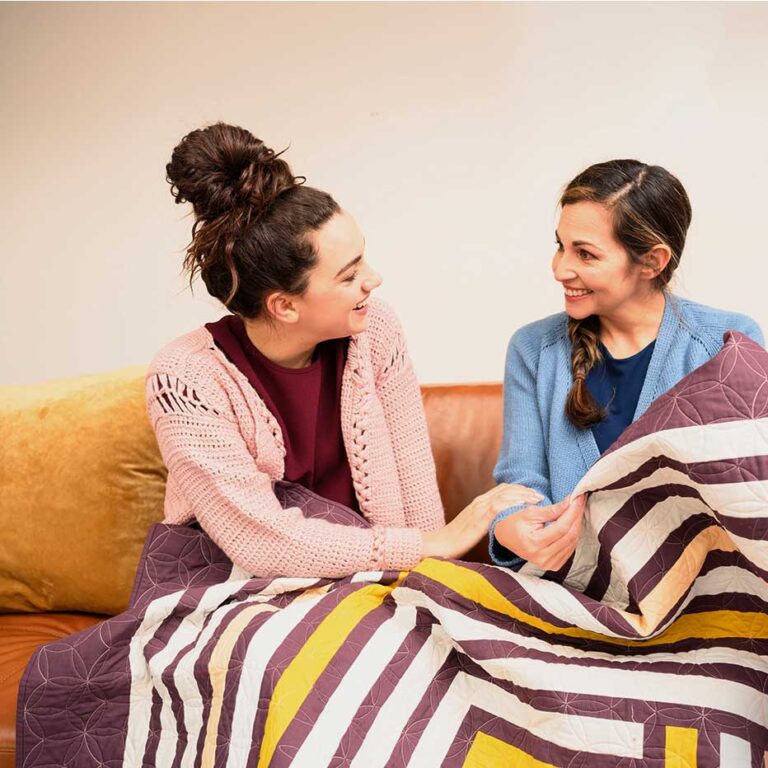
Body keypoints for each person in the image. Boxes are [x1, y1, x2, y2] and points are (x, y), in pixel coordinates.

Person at [148, 122, 536, 579]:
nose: (372, 280)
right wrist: (430, 545)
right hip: (237, 592)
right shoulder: (186, 377)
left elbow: (416, 494)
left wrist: (434, 580)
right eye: (349, 275)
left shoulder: (376, 330)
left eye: (363, 259)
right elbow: (259, 541)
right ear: (285, 306)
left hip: (368, 584)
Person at [490, 159, 764, 572]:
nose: (560, 268)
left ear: (652, 262)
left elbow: (753, 487)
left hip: (701, 592)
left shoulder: (727, 343)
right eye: (560, 245)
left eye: (585, 253)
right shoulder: (533, 349)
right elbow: (521, 486)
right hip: (569, 593)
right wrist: (509, 527)